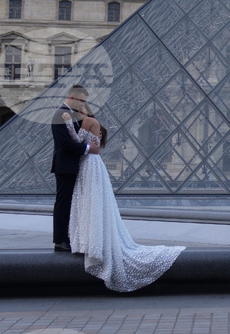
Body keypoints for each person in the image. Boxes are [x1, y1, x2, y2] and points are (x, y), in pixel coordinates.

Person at [61, 106, 184, 292]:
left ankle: (90, 243)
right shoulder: (95, 123)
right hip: (95, 164)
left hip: (88, 164)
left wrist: (68, 123)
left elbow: (77, 140)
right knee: (96, 204)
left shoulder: (86, 121)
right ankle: (93, 240)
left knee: (90, 204)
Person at [51, 85, 99, 253]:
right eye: (82, 101)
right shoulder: (60, 114)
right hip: (65, 165)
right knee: (63, 203)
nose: (83, 105)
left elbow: (76, 138)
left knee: (69, 203)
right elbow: (65, 143)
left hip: (71, 164)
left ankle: (67, 237)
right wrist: (87, 149)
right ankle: (60, 240)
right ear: (73, 97)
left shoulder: (72, 115)